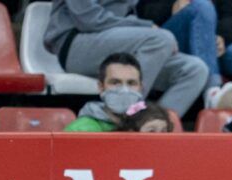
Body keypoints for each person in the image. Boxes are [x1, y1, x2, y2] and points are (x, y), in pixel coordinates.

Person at [44, 0, 208, 118]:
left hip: (117, 45)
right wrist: (145, 27)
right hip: (76, 43)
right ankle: (125, 115)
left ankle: (154, 126)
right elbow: (89, 20)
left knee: (194, 69)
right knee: (161, 39)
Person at [136, 0, 232, 109]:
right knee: (202, 6)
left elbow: (230, 17)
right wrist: (171, 6)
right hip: (167, 38)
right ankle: (212, 89)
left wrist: (222, 36)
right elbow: (143, 12)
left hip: (212, 43)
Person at [65, 53, 145, 132]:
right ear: (101, 87)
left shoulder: (151, 126)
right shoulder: (79, 130)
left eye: (131, 83)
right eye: (115, 83)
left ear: (141, 88)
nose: (124, 90)